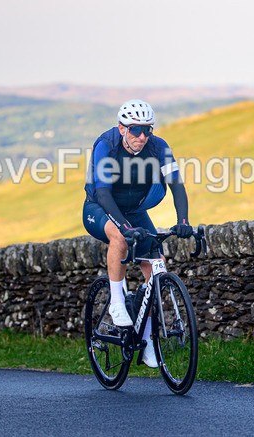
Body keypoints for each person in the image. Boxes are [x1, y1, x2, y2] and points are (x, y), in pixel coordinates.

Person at [83, 99, 193, 367]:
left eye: (147, 130)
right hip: (100, 207)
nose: (142, 136)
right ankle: (117, 303)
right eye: (135, 130)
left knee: (156, 267)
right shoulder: (106, 145)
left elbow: (176, 184)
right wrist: (124, 226)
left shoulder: (158, 147)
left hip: (134, 211)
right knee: (120, 238)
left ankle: (147, 340)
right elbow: (103, 192)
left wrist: (183, 220)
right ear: (122, 128)